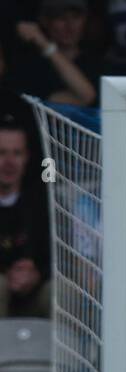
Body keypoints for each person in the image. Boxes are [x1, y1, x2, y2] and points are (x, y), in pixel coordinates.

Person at [0, 120, 50, 318]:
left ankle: (63, 350)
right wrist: (6, 273)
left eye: (17, 153)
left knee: (57, 290)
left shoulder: (42, 202)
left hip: (33, 298)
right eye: (1, 153)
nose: (9, 162)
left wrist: (37, 273)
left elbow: (59, 258)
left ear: (27, 157)